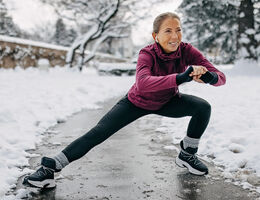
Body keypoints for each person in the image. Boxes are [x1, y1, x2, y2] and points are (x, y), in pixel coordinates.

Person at [23, 12, 226, 188]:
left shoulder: (187, 50)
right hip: (136, 102)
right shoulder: (147, 53)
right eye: (168, 31)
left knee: (202, 107)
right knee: (98, 132)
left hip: (167, 101)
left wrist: (209, 77)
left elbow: (221, 78)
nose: (175, 36)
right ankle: (50, 167)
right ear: (155, 36)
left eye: (178, 30)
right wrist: (181, 77)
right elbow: (143, 83)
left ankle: (187, 154)